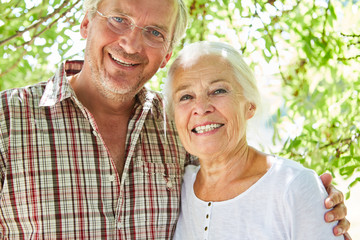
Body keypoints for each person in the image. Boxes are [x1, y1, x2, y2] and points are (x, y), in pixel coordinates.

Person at [0, 0, 350, 239]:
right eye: (119, 18)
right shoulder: (8, 120)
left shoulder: (178, 128)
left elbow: (240, 177)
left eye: (154, 32)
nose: (132, 43)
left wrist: (309, 199)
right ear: (86, 22)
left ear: (166, 54)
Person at [164, 41, 351, 240]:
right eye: (185, 96)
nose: (201, 108)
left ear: (250, 105)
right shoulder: (177, 186)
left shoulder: (293, 187)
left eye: (218, 91)